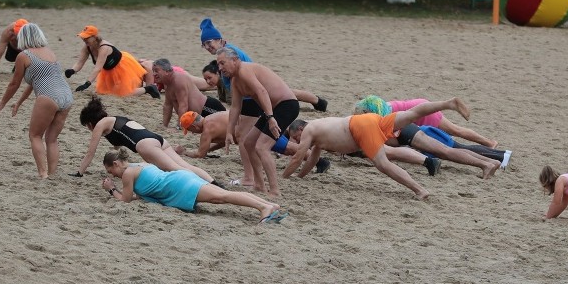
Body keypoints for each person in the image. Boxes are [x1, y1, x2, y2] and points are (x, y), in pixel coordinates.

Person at [283, 98, 474, 199]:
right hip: (369, 120)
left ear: (300, 128)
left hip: (359, 128)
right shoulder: (318, 133)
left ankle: (419, 190)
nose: (298, 141)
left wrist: (284, 177)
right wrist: (299, 177)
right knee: (410, 114)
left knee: (383, 164)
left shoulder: (308, 130)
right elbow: (312, 160)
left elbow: (297, 158)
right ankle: (448, 103)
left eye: (296, 137)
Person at [101, 148, 287, 224]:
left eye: (111, 172)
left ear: (116, 164)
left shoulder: (127, 174)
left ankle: (264, 207)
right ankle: (268, 206)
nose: (113, 176)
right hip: (180, 179)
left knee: (222, 197)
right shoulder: (139, 165)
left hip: (180, 185)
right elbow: (141, 194)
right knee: (222, 195)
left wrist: (111, 189)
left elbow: (125, 200)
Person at [0, 23, 73, 178]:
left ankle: (43, 173)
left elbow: (14, 83)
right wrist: (19, 102)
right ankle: (52, 174)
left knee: (35, 136)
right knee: (52, 139)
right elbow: (34, 82)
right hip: (66, 96)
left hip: (49, 96)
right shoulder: (49, 52)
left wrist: (3, 102)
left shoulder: (24, 56)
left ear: (23, 38)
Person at [216, 46, 300, 198]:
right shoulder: (235, 81)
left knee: (262, 147)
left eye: (223, 63)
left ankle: (275, 191)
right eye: (218, 64)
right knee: (248, 143)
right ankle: (259, 185)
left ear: (235, 60)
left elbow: (262, 92)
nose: (220, 68)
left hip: (286, 105)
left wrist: (270, 118)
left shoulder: (244, 70)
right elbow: (235, 107)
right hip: (272, 110)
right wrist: (229, 131)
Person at [75, 96, 213, 184]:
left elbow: (90, 153)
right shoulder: (114, 120)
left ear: (89, 123)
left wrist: (79, 172)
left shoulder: (100, 124)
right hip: (158, 139)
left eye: (87, 126)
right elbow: (117, 148)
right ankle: (213, 183)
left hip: (145, 145)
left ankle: (204, 186)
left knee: (175, 169)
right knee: (186, 167)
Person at [199, 17, 329, 111]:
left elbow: (242, 75)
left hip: (257, 83)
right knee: (288, 93)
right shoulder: (224, 53)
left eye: (209, 42)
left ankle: (317, 101)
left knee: (286, 94)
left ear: (219, 40)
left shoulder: (230, 53)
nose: (207, 46)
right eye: (204, 44)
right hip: (253, 85)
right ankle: (318, 101)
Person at [178, 110, 334, 175]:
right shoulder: (212, 118)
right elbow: (226, 139)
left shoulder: (207, 130)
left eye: (190, 129)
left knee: (287, 148)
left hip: (252, 129)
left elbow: (200, 154)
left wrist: (184, 152)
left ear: (193, 125)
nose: (192, 132)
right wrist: (212, 150)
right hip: (253, 122)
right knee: (284, 147)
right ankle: (318, 160)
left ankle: (320, 161)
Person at [356, 95, 498, 148]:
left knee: (455, 131)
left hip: (422, 114)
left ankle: (489, 143)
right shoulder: (378, 105)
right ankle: (488, 143)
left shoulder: (380, 115)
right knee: (455, 131)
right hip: (418, 106)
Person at [66, 25, 160, 99]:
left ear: (95, 37)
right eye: (83, 37)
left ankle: (149, 89)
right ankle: (141, 87)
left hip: (122, 67)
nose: (84, 39)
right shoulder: (87, 47)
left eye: (86, 37)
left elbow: (98, 68)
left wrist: (87, 83)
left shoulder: (104, 48)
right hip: (108, 71)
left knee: (124, 93)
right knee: (106, 92)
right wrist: (72, 70)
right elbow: (79, 63)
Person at [151, 58, 226, 129]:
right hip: (198, 116)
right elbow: (168, 105)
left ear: (167, 71)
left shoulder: (178, 80)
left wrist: (179, 126)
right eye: (153, 71)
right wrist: (165, 125)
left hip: (207, 108)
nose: (154, 74)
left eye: (156, 71)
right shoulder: (167, 83)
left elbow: (183, 105)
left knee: (229, 120)